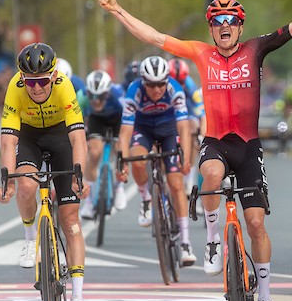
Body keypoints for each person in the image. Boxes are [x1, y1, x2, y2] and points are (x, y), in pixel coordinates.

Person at [99, 0, 292, 301]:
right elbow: (152, 36)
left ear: (240, 27)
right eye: (217, 21)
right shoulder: (200, 53)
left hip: (248, 146)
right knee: (210, 175)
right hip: (215, 141)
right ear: (211, 29)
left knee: (256, 224)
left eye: (231, 21)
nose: (224, 26)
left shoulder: (256, 48)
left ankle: (264, 299)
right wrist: (118, 10)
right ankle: (213, 239)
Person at [0, 42, 90, 301]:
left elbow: (78, 138)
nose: (36, 88)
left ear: (52, 75)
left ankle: (78, 295)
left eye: (41, 81)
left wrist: (79, 175)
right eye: (30, 82)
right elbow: (8, 139)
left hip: (61, 135)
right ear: (23, 79)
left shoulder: (64, 86)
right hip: (30, 137)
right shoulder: (15, 87)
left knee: (70, 220)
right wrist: (6, 180)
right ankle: (28, 239)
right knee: (25, 185)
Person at [118, 55, 196, 266]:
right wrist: (122, 162)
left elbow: (184, 128)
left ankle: (186, 243)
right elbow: (125, 132)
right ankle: (145, 199)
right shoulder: (134, 91)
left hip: (169, 128)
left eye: (161, 83)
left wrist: (186, 158)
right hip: (143, 128)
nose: (156, 89)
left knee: (176, 183)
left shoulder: (174, 90)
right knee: (136, 158)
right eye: (151, 85)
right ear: (143, 81)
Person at [78, 70, 128, 219]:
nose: (96, 101)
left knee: (121, 149)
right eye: (91, 96)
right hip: (96, 120)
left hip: (118, 120)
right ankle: (89, 202)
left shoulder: (119, 96)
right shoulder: (81, 97)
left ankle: (119, 188)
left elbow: (130, 120)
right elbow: (74, 120)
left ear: (107, 93)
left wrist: (123, 139)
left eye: (100, 97)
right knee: (93, 153)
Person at [168, 57, 206, 194]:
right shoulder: (160, 86)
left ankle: (188, 178)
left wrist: (201, 135)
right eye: (174, 81)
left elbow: (201, 114)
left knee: (191, 129)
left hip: (188, 112)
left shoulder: (190, 86)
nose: (177, 86)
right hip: (169, 113)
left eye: (181, 82)